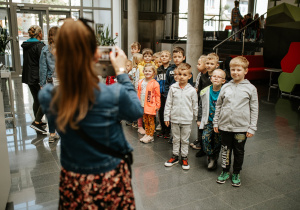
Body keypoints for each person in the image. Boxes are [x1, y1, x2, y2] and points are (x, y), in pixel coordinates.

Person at [38, 18, 143, 208]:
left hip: (74, 180)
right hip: (110, 177)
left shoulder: (48, 96)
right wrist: (120, 71)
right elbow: (136, 111)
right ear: (95, 55)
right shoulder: (113, 94)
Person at [214, 56, 258, 187]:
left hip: (241, 128)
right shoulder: (225, 86)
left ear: (245, 71)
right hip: (225, 126)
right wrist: (216, 122)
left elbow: (254, 109)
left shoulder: (251, 89)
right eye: (232, 69)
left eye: (239, 69)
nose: (235, 72)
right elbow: (219, 105)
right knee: (225, 150)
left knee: (239, 151)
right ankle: (225, 171)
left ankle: (236, 172)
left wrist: (251, 128)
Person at [164, 63, 198, 170]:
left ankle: (184, 157)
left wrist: (197, 118)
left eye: (184, 74)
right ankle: (175, 156)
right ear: (176, 75)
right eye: (179, 74)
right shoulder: (172, 88)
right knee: (175, 138)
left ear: (189, 76)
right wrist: (166, 117)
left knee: (184, 139)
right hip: (174, 118)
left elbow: (195, 105)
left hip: (187, 120)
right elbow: (168, 103)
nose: (181, 77)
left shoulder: (192, 90)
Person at [197, 69, 226, 170]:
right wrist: (199, 118)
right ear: (210, 78)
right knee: (205, 139)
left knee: (218, 141)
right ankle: (210, 155)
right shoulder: (205, 91)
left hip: (219, 122)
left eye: (219, 77)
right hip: (208, 121)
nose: (216, 78)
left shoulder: (225, 92)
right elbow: (200, 106)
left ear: (223, 81)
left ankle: (214, 158)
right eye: (214, 76)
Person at [22, 25, 46, 133]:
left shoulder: (26, 45)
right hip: (37, 76)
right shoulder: (39, 46)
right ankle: (37, 122)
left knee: (36, 99)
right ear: (40, 33)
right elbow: (43, 63)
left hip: (28, 76)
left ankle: (39, 123)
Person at [194, 53, 219, 154]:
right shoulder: (202, 76)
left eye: (211, 63)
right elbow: (200, 90)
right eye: (207, 63)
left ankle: (211, 148)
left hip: (213, 105)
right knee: (200, 125)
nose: (209, 65)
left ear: (216, 65)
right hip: (203, 104)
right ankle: (202, 146)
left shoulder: (217, 77)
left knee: (211, 127)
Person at [39, 26, 60, 143]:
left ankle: (52, 133)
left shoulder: (45, 50)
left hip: (50, 82)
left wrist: (42, 84)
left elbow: (42, 69)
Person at [137, 63, 161, 143]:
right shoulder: (141, 81)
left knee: (151, 120)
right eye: (146, 71)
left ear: (153, 73)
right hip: (142, 103)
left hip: (151, 104)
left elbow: (157, 95)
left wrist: (158, 105)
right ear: (143, 71)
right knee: (145, 119)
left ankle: (151, 136)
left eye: (150, 71)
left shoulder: (155, 83)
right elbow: (138, 92)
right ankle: (147, 134)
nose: (147, 72)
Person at [137, 48, 156, 135]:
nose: (147, 57)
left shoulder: (154, 66)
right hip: (141, 90)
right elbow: (137, 79)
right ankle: (140, 126)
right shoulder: (140, 66)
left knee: (149, 110)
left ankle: (150, 127)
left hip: (150, 91)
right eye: (145, 56)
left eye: (149, 56)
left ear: (152, 57)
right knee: (141, 110)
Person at [156, 50, 172, 138]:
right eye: (162, 56)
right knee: (161, 112)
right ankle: (162, 129)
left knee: (168, 112)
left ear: (170, 59)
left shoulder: (171, 69)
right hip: (160, 93)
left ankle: (167, 130)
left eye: (166, 56)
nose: (164, 58)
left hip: (168, 94)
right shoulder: (158, 69)